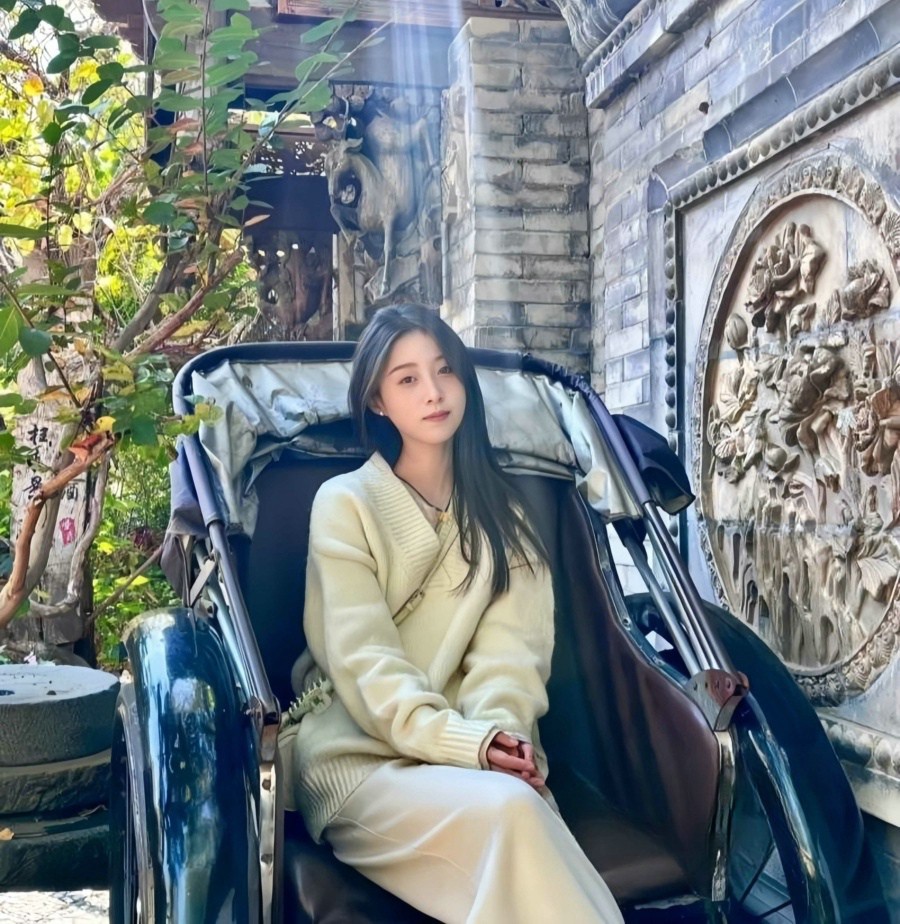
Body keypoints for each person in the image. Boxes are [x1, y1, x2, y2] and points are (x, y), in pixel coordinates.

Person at [281, 304, 624, 923]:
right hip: (361, 762)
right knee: (512, 814)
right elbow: (365, 662)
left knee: (516, 806)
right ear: (379, 400)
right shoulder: (345, 504)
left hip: (475, 759)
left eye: (445, 371)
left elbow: (511, 660)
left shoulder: (505, 518)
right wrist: (467, 746)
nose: (434, 392)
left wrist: (501, 743)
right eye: (407, 378)